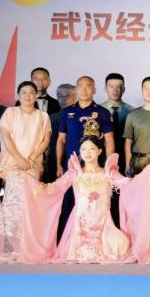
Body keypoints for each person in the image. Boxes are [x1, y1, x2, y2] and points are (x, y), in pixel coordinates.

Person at [28, 123, 133, 264]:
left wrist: (147, 177)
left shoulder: (108, 172)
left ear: (100, 151)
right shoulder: (75, 172)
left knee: (123, 244)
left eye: (92, 149)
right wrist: (31, 185)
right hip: (81, 225)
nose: (87, 152)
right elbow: (55, 188)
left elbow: (127, 183)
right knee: (81, 251)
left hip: (104, 224)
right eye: (83, 149)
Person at [0, 80, 51, 263]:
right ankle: (11, 246)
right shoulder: (11, 112)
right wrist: (18, 158)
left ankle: (29, 245)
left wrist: (31, 159)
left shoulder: (42, 116)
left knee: (30, 204)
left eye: (31, 92)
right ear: (18, 95)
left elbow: (46, 140)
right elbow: (5, 135)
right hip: (13, 164)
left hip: (32, 165)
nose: (27, 95)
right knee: (13, 204)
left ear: (36, 95)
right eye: (24, 92)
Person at [55, 76, 114, 239]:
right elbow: (61, 140)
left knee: (93, 203)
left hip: (94, 167)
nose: (84, 90)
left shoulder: (102, 112)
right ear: (76, 90)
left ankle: (95, 239)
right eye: (80, 86)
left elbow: (109, 140)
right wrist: (59, 164)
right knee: (69, 201)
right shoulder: (67, 112)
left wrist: (109, 165)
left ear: (94, 90)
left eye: (88, 86)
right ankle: (68, 240)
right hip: (71, 166)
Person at [101, 73, 135, 174]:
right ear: (105, 88)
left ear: (123, 89)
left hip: (126, 157)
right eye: (111, 87)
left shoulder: (133, 112)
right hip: (102, 157)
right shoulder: (97, 110)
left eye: (119, 87)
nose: (115, 90)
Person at [42, 83, 75, 183]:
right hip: (53, 158)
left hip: (75, 156)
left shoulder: (82, 116)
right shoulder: (49, 118)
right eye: (60, 96)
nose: (63, 99)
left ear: (76, 96)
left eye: (67, 96)